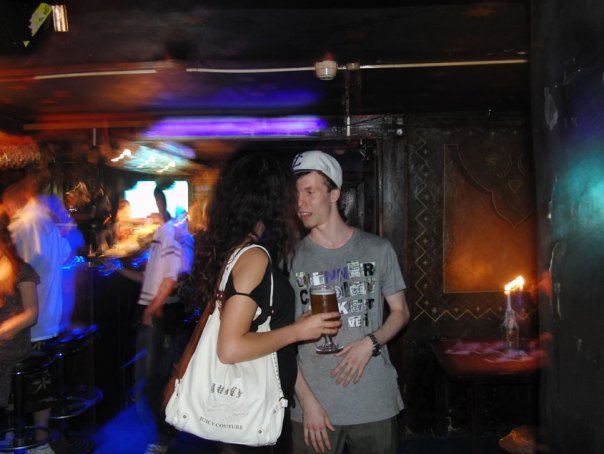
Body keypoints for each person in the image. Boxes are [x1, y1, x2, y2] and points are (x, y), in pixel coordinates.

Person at [176, 151, 340, 453]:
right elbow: (230, 348)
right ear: (272, 198)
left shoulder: (238, 249)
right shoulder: (253, 256)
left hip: (249, 411)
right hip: (251, 415)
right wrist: (298, 331)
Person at [289, 150, 410, 454]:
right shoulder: (290, 260)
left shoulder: (378, 249)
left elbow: (400, 312)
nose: (300, 203)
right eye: (297, 194)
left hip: (373, 402)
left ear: (335, 194)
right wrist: (306, 403)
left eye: (310, 192)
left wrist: (371, 342)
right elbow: (281, 343)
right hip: (314, 408)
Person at [115, 186, 194, 454]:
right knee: (151, 380)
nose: (144, 214)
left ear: (161, 204)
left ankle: (165, 436)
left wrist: (151, 311)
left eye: (152, 204)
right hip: (158, 313)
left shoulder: (169, 234)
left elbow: (170, 280)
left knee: (155, 381)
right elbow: (151, 278)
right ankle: (165, 433)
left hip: (162, 316)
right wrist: (119, 270)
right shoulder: (163, 235)